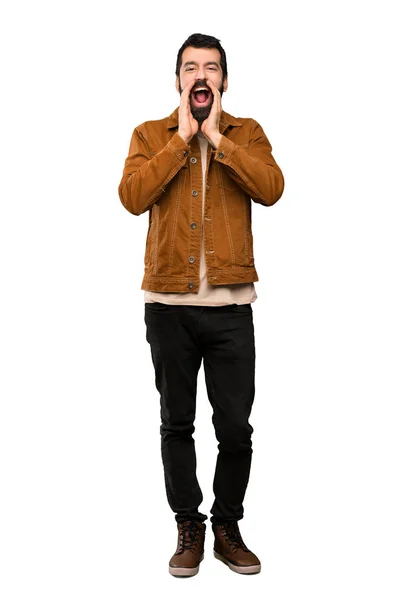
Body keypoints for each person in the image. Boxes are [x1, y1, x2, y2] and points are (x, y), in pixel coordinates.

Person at [118, 33, 284, 577]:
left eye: (211, 67)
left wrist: (218, 141)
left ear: (224, 81)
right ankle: (187, 524)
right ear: (178, 81)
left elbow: (272, 188)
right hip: (169, 304)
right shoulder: (150, 135)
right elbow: (132, 197)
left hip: (232, 308)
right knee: (177, 422)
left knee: (235, 427)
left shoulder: (247, 133)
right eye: (191, 67)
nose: (201, 75)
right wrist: (182, 141)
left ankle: (227, 525)